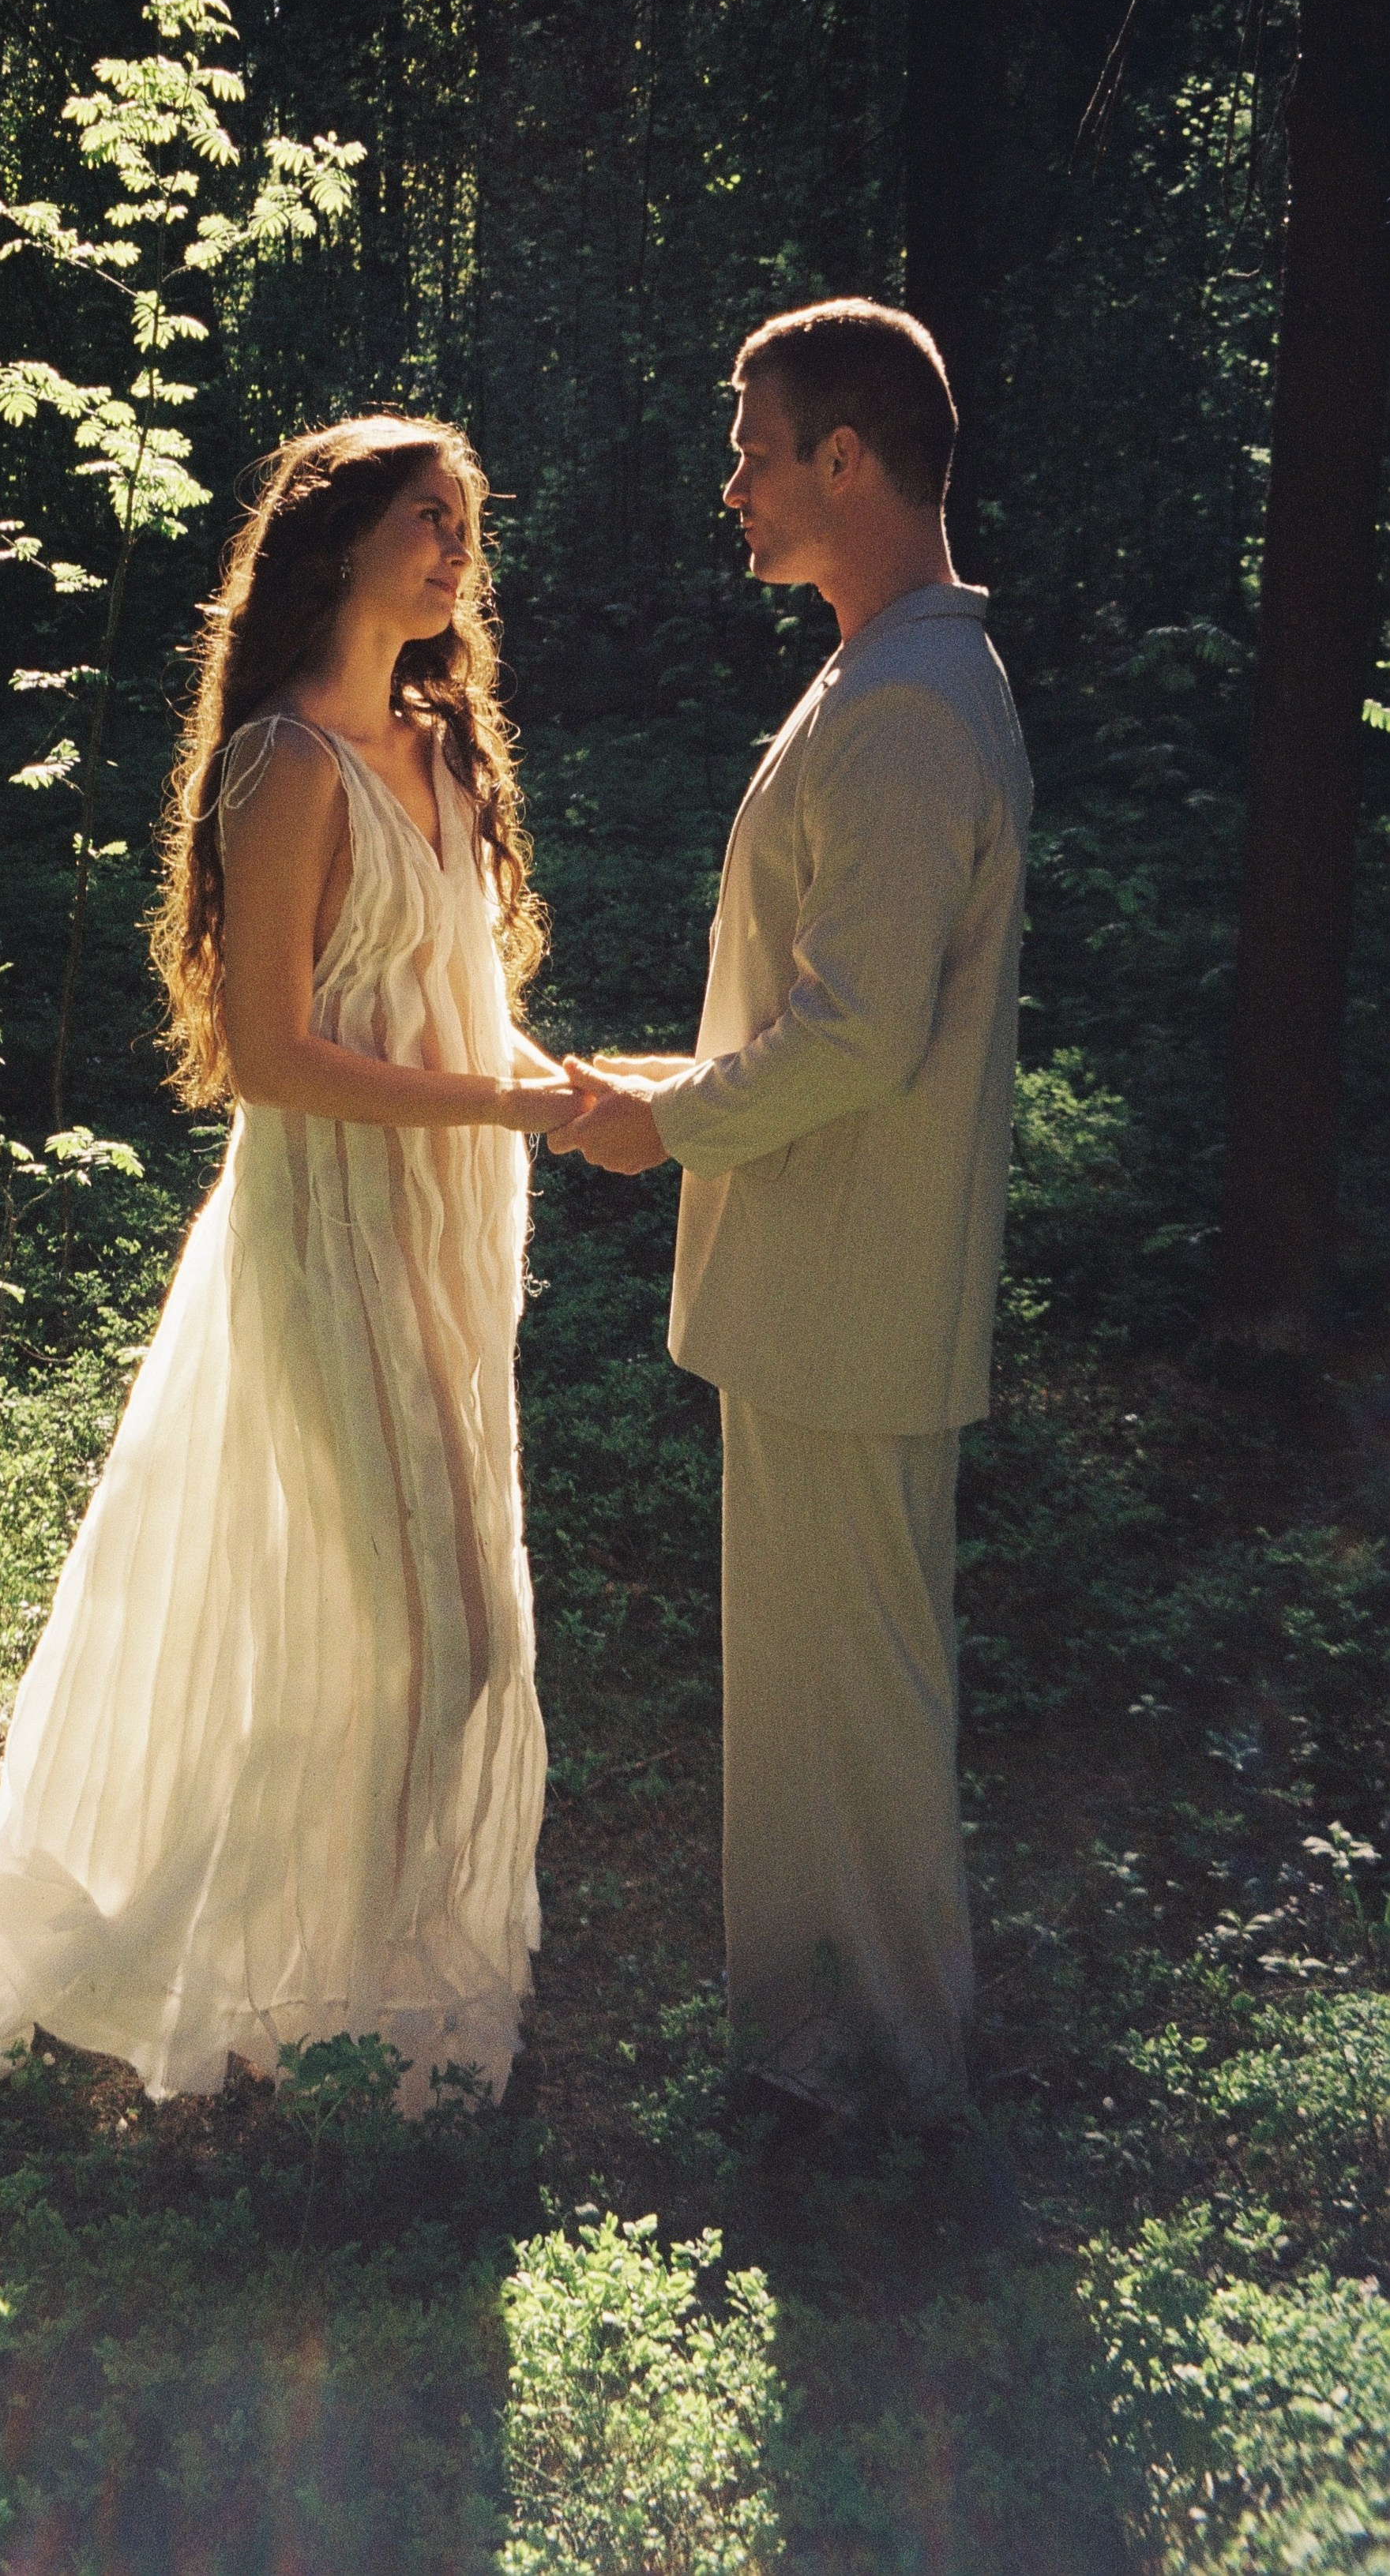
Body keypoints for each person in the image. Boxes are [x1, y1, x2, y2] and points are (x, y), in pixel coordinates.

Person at [0, 415, 581, 2111]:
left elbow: (457, 1000)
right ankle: (301, 1980)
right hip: (330, 1223)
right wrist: (499, 1098)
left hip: (450, 1225)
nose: (456, 555)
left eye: (468, 526)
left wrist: (550, 1089)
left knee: (404, 1610)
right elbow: (267, 1055)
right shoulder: (283, 764)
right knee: (441, 1629)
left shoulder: (441, 744)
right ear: (335, 540)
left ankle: (350, 1991)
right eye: (428, 519)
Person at [550, 301, 1032, 2118]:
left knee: (861, 1707)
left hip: (853, 1290)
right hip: (824, 1289)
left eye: (755, 446)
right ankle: (823, 2048)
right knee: (811, 1696)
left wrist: (663, 1127)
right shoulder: (876, 670)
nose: (729, 483)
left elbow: (854, 1036)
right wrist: (654, 1081)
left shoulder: (906, 702)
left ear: (850, 459)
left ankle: (894, 2071)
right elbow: (815, 999)